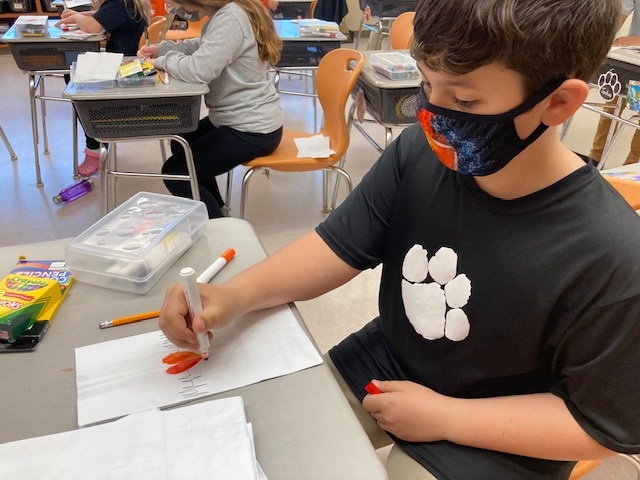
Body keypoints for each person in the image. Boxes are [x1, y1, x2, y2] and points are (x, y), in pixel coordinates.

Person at [159, 0, 640, 478]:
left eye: (465, 101)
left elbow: (596, 423)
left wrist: (447, 418)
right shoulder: (419, 153)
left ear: (557, 102)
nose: (434, 114)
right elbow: (336, 246)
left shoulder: (612, 252)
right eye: (427, 85)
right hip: (392, 358)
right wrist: (233, 294)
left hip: (506, 423)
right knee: (279, 428)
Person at [137, 0, 283, 218]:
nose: (180, 11)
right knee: (183, 139)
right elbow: (205, 45)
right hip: (240, 120)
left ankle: (219, 228)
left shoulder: (230, 18)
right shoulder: (229, 13)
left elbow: (199, 70)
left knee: (176, 173)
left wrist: (162, 61)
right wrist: (163, 48)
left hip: (252, 129)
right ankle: (216, 208)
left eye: (179, 5)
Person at [57, 0, 152, 177]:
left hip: (125, 72)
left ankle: (94, 145)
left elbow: (92, 27)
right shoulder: (128, 3)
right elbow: (102, 17)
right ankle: (98, 136)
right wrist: (79, 16)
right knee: (75, 74)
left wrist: (78, 16)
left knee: (75, 80)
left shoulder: (119, 3)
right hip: (134, 66)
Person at [590, 0, 640, 167]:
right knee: (613, 103)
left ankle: (631, 168)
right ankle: (596, 159)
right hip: (629, 57)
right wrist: (600, 38)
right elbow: (619, 13)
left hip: (634, 50)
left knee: (638, 112)